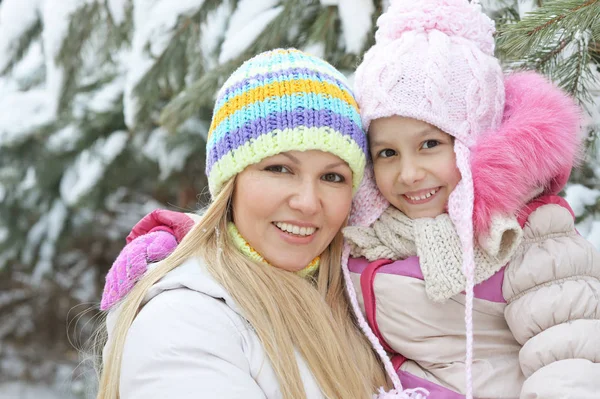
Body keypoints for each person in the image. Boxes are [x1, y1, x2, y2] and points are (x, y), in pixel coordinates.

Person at [97, 48, 428, 399]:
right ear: (231, 182)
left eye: (332, 177)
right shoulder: (183, 323)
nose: (307, 202)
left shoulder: (362, 306)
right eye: (279, 169)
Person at [340, 0, 600, 398]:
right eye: (387, 153)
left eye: (430, 144)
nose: (408, 173)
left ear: (475, 141)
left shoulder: (527, 236)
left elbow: (570, 361)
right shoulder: (370, 234)